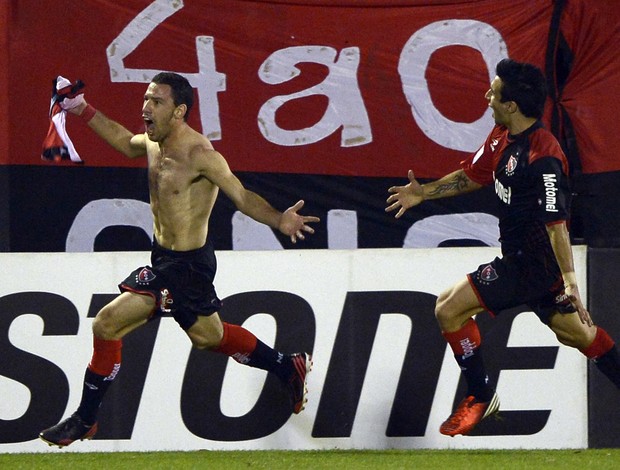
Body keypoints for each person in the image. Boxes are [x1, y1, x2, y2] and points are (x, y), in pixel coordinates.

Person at [39, 72, 320, 447]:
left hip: (187, 267)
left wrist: (278, 219)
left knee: (106, 324)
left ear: (179, 111)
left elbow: (241, 195)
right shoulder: (156, 142)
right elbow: (125, 143)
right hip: (164, 258)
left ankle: (85, 419)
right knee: (210, 337)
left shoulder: (200, 154)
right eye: (145, 99)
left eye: (156, 101)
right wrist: (80, 108)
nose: (145, 108)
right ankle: (286, 364)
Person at [386, 58, 620, 437]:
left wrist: (571, 281)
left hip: (530, 265)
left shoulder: (542, 156)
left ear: (511, 105)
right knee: (581, 336)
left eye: (493, 93)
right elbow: (472, 175)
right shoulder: (500, 136)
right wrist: (423, 193)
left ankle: (480, 395)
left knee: (448, 310)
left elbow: (556, 223)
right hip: (530, 266)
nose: (487, 96)